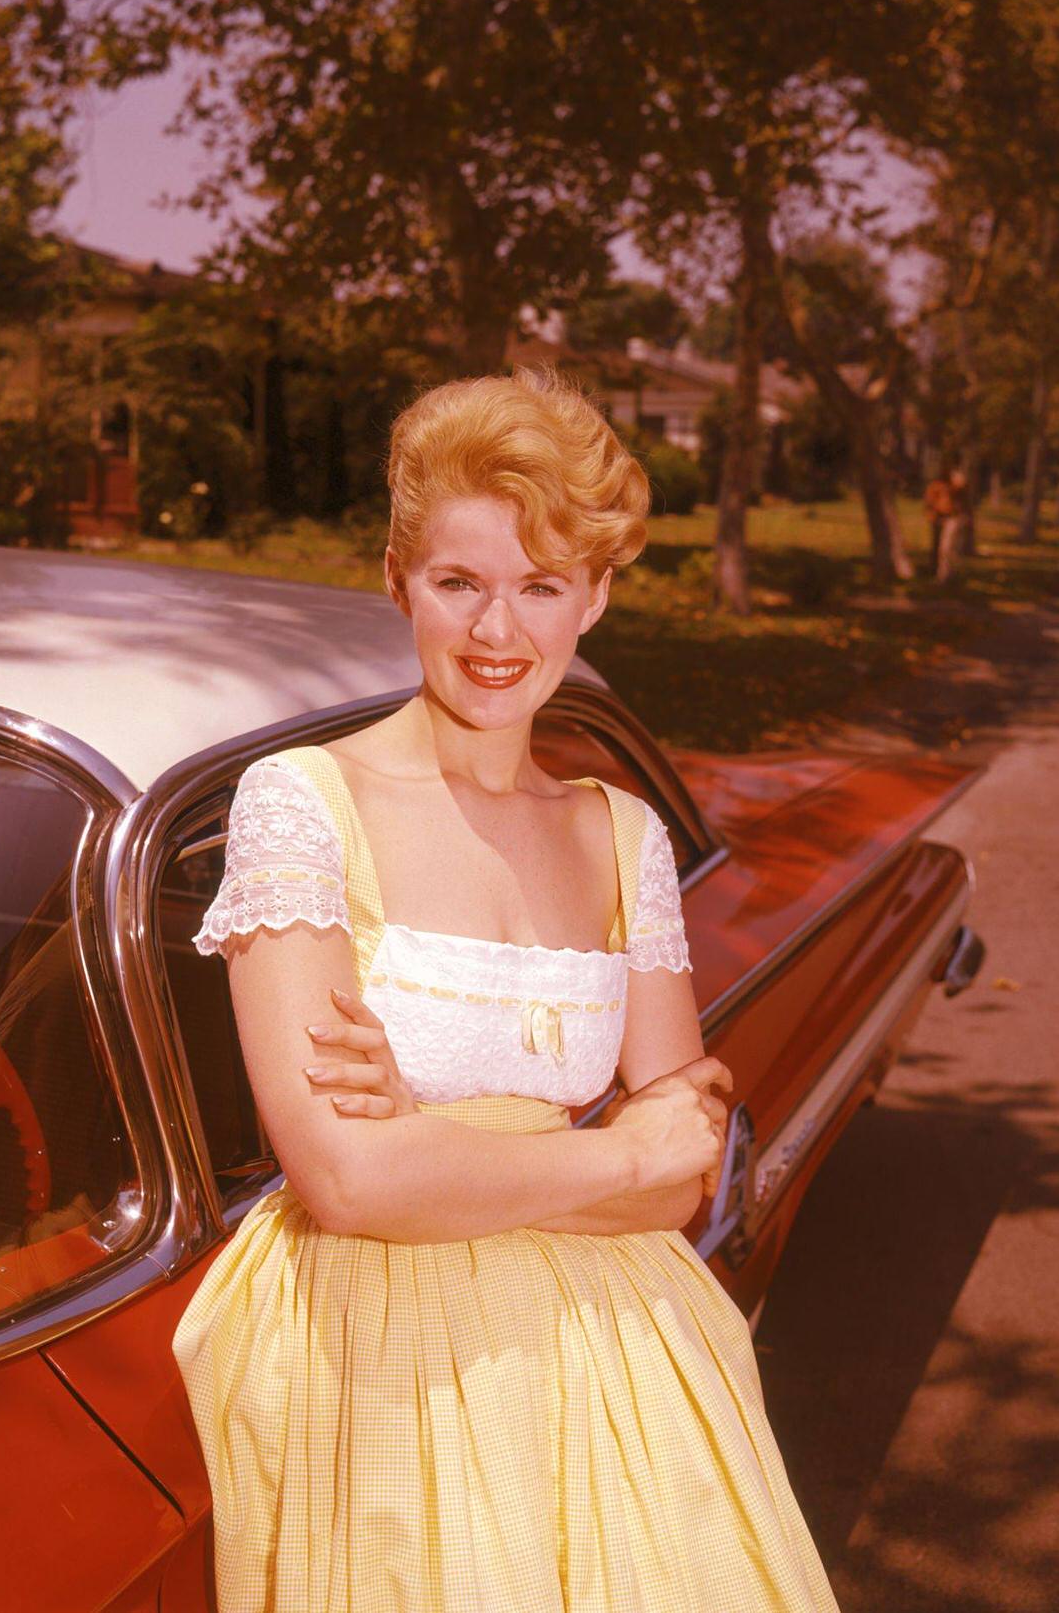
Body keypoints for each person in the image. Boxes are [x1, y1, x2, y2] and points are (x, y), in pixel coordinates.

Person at [172, 368, 841, 1613]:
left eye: (540, 586)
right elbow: (347, 1181)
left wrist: (437, 1153)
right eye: (458, 582)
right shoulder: (299, 804)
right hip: (376, 1359)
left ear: (593, 595)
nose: (497, 631)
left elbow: (684, 1171)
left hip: (616, 1355)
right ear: (395, 580)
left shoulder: (621, 833)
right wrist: (600, 1156)